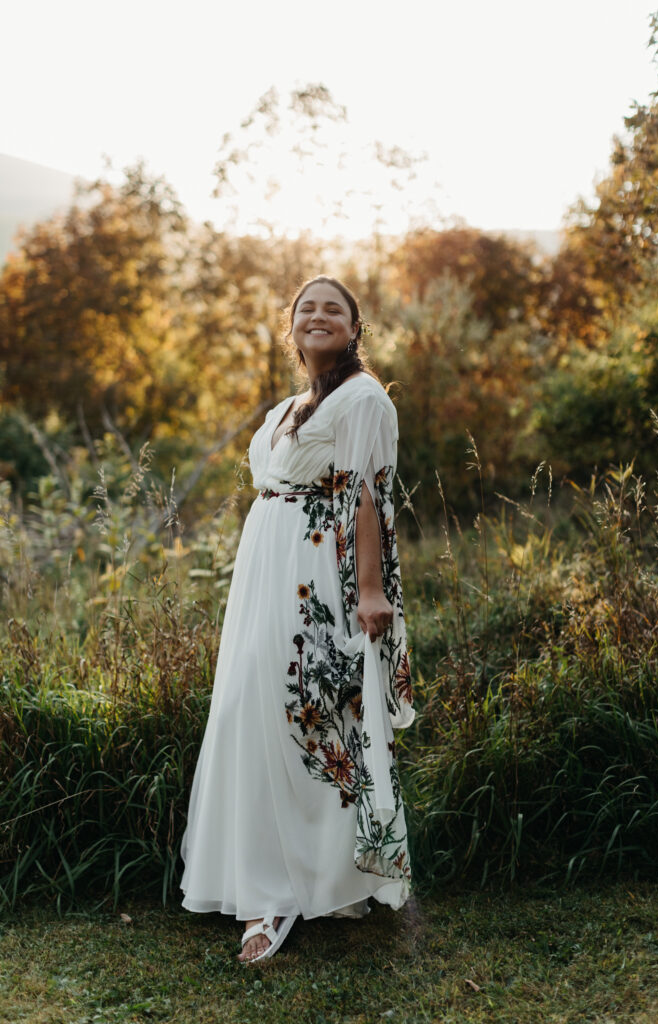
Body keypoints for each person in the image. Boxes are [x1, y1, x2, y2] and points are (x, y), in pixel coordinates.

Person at [179, 275, 415, 964]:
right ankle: (261, 872)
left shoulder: (363, 398)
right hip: (266, 568)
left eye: (331, 309)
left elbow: (366, 496)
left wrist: (370, 592)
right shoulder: (292, 405)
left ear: (353, 327)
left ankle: (294, 887)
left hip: (317, 574)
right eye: (305, 308)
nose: (317, 316)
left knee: (302, 718)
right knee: (247, 711)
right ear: (292, 328)